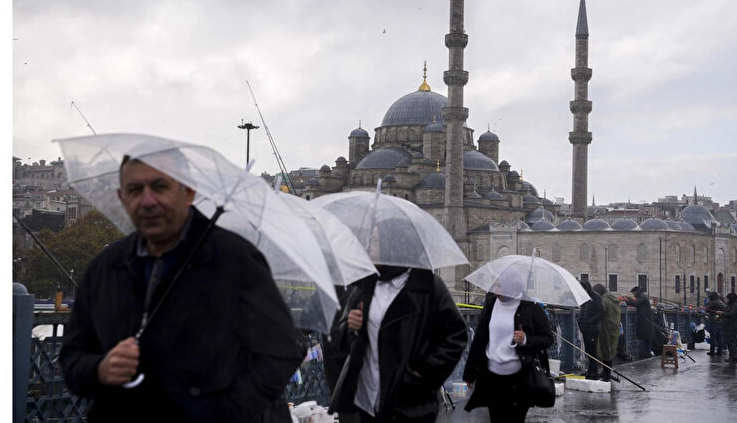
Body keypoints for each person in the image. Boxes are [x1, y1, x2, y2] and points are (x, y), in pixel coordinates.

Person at [60, 156, 304, 422]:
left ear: (188, 192)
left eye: (160, 186)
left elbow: (280, 350)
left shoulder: (234, 260)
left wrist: (227, 412)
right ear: (122, 197)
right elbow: (73, 357)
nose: (148, 200)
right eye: (135, 190)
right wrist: (99, 369)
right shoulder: (105, 268)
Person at [328, 219, 468, 423]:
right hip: (366, 400)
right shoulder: (365, 284)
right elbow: (343, 336)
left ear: (392, 245)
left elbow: (456, 336)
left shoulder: (427, 286)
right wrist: (350, 327)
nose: (369, 248)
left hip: (408, 403)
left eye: (375, 241)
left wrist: (424, 374)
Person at [462, 270, 554, 422]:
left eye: (500, 286)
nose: (496, 290)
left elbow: (547, 339)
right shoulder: (491, 302)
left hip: (519, 380)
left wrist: (526, 340)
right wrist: (470, 371)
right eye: (495, 285)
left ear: (513, 287)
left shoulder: (531, 308)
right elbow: (480, 338)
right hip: (492, 378)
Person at [593, 283, 621, 383]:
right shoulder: (612, 299)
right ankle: (607, 372)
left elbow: (600, 311)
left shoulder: (604, 300)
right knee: (610, 350)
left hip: (606, 328)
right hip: (614, 327)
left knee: (606, 349)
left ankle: (606, 372)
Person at [577, 280, 604, 380]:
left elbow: (602, 311)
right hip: (585, 328)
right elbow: (583, 310)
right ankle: (591, 370)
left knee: (592, 351)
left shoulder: (595, 297)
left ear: (587, 288)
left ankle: (594, 372)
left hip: (593, 329)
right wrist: (580, 321)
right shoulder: (584, 297)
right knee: (588, 351)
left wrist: (590, 321)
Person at [626, 286, 657, 357]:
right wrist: (630, 300)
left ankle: (645, 353)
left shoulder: (642, 297)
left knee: (644, 337)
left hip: (644, 320)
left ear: (636, 291)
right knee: (647, 337)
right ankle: (647, 353)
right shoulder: (642, 296)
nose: (633, 294)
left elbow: (636, 303)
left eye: (633, 293)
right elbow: (636, 302)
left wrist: (627, 301)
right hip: (646, 320)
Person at [719, 292, 737, 364]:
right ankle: (731, 357)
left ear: (731, 299)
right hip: (727, 326)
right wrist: (722, 313)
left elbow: (731, 314)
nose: (726, 299)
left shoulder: (736, 307)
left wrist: (722, 313)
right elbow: (727, 313)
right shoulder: (729, 305)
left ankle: (733, 358)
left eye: (727, 298)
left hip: (732, 327)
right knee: (729, 343)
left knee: (732, 343)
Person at [706, 292, 726, 356]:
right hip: (721, 322)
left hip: (715, 322)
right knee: (720, 337)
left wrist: (708, 303)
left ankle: (712, 351)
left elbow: (707, 309)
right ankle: (719, 351)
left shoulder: (713, 302)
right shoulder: (720, 301)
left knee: (713, 337)